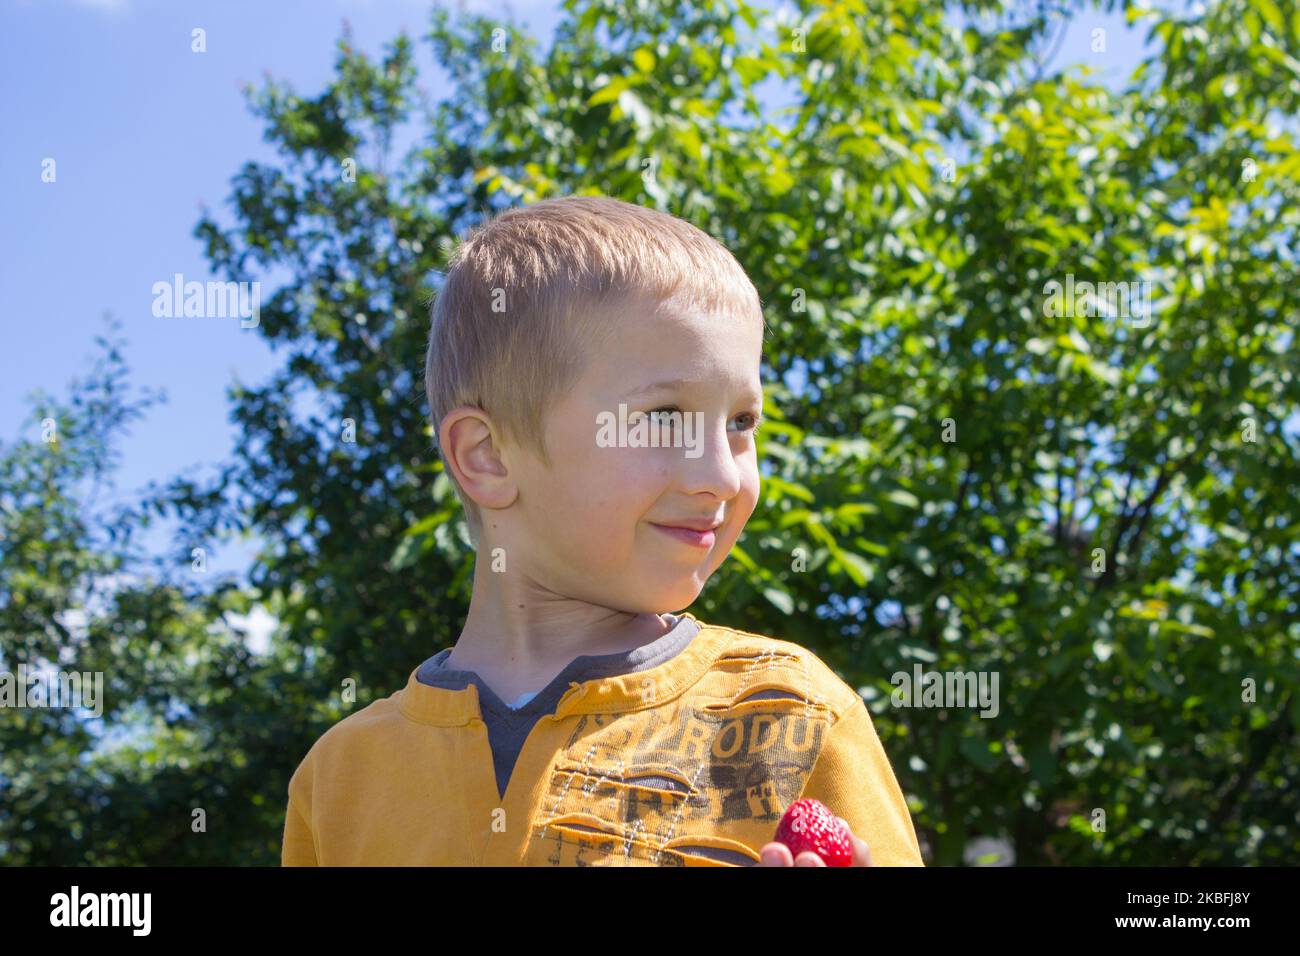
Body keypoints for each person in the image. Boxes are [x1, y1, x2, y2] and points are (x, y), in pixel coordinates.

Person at [281, 196, 924, 867]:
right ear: (487, 456)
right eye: (666, 417)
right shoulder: (340, 781)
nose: (723, 477)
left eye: (740, 423)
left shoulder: (793, 717)